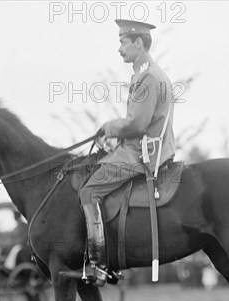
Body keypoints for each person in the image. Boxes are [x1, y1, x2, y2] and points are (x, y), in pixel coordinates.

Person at [79, 19, 175, 284]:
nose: (119, 48)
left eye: (123, 41)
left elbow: (136, 124)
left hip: (140, 154)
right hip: (143, 148)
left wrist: (107, 128)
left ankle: (98, 264)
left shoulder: (147, 76)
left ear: (139, 43)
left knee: (88, 191)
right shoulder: (149, 72)